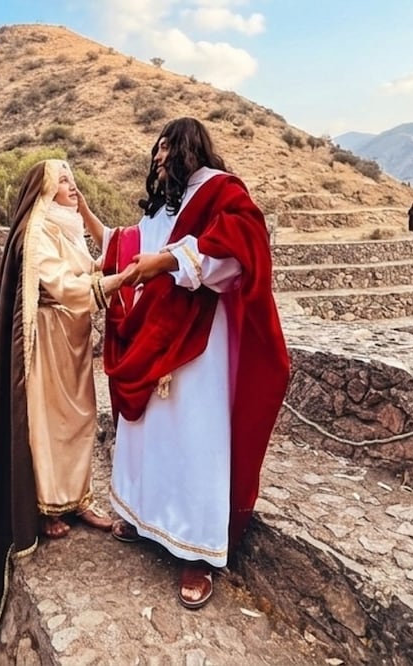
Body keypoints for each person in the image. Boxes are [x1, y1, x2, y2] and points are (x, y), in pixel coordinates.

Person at [0, 159, 135, 665]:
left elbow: (83, 270)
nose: (72, 186)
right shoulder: (36, 230)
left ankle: (77, 499)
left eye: (73, 178)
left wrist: (109, 268)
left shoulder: (66, 226)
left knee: (82, 418)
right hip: (46, 339)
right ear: (44, 190)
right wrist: (125, 278)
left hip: (73, 339)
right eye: (63, 180)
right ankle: (47, 507)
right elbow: (64, 286)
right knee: (49, 423)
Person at [85, 117, 291, 611]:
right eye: (155, 151)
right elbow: (131, 245)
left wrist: (169, 262)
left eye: (165, 149)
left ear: (187, 148)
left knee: (194, 437)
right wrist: (87, 215)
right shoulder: (166, 204)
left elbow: (238, 252)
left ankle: (197, 552)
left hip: (199, 338)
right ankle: (144, 517)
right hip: (154, 331)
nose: (157, 159)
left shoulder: (221, 192)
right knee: (151, 432)